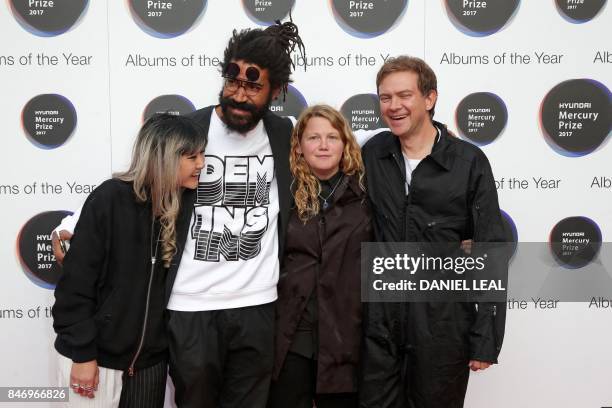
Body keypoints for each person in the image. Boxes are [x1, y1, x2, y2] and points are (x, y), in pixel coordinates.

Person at [52, 20, 307, 408]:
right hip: (190, 306)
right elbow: (141, 182)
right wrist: (73, 224)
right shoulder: (191, 129)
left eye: (252, 86)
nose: (238, 94)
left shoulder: (285, 135)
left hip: (258, 305)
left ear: (276, 91)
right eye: (231, 81)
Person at [359, 56, 507, 408]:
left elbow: (490, 249)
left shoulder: (468, 162)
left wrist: (485, 338)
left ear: (430, 98)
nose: (394, 106)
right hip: (379, 328)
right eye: (385, 97)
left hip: (443, 327)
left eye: (404, 95)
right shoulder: (372, 154)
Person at [52, 113, 206, 407]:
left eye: (202, 155)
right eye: (191, 156)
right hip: (97, 360)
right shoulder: (110, 199)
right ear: (163, 157)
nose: (201, 164)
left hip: (150, 366)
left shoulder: (184, 205)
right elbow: (75, 287)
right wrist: (83, 353)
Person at [267, 105, 372, 408]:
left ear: (345, 144)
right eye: (314, 138)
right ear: (299, 147)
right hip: (291, 339)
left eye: (332, 137)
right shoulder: (281, 194)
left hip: (346, 341)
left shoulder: (367, 194)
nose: (323, 145)